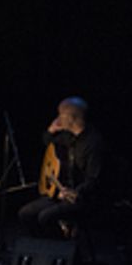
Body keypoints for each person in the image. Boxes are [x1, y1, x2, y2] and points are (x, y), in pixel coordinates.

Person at [18, 96, 107, 237]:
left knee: (45, 217)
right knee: (25, 214)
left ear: (71, 118)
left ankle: (65, 244)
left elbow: (94, 179)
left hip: (81, 198)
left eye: (61, 115)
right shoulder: (67, 136)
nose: (58, 119)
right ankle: (49, 244)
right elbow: (48, 143)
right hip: (61, 194)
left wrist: (75, 192)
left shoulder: (93, 142)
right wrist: (51, 130)